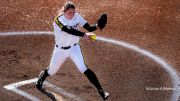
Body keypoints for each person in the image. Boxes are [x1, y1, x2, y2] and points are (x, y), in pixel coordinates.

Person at [36, 1, 109, 100]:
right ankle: (42, 77)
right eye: (69, 13)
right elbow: (68, 30)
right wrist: (84, 35)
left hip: (74, 48)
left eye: (73, 12)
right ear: (64, 12)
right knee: (52, 71)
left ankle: (101, 91)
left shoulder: (77, 16)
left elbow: (88, 27)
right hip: (60, 50)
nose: (72, 15)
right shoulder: (58, 20)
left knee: (83, 68)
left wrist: (96, 26)